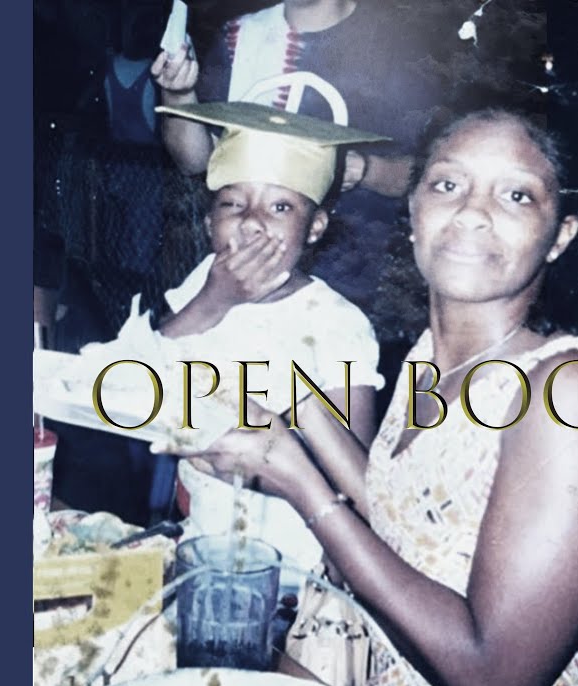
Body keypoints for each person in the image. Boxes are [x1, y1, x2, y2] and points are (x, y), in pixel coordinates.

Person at [161, 108, 578, 686]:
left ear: (560, 235)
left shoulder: (573, 389)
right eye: (447, 184)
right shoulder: (428, 362)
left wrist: (299, 481)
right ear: (414, 210)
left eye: (516, 195)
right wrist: (296, 406)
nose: (472, 212)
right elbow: (402, 521)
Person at [107, 100, 388, 584]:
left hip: (295, 566)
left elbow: (355, 482)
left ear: (315, 226)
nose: (253, 220)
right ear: (208, 224)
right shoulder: (203, 284)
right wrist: (212, 302)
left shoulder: (337, 324)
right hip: (201, 547)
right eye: (233, 204)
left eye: (281, 206)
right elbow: (123, 389)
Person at [149, 0, 445, 315]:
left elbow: (433, 175)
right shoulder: (242, 36)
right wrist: (179, 95)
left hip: (354, 280)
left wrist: (367, 169)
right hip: (247, 268)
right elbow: (196, 162)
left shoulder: (396, 45)